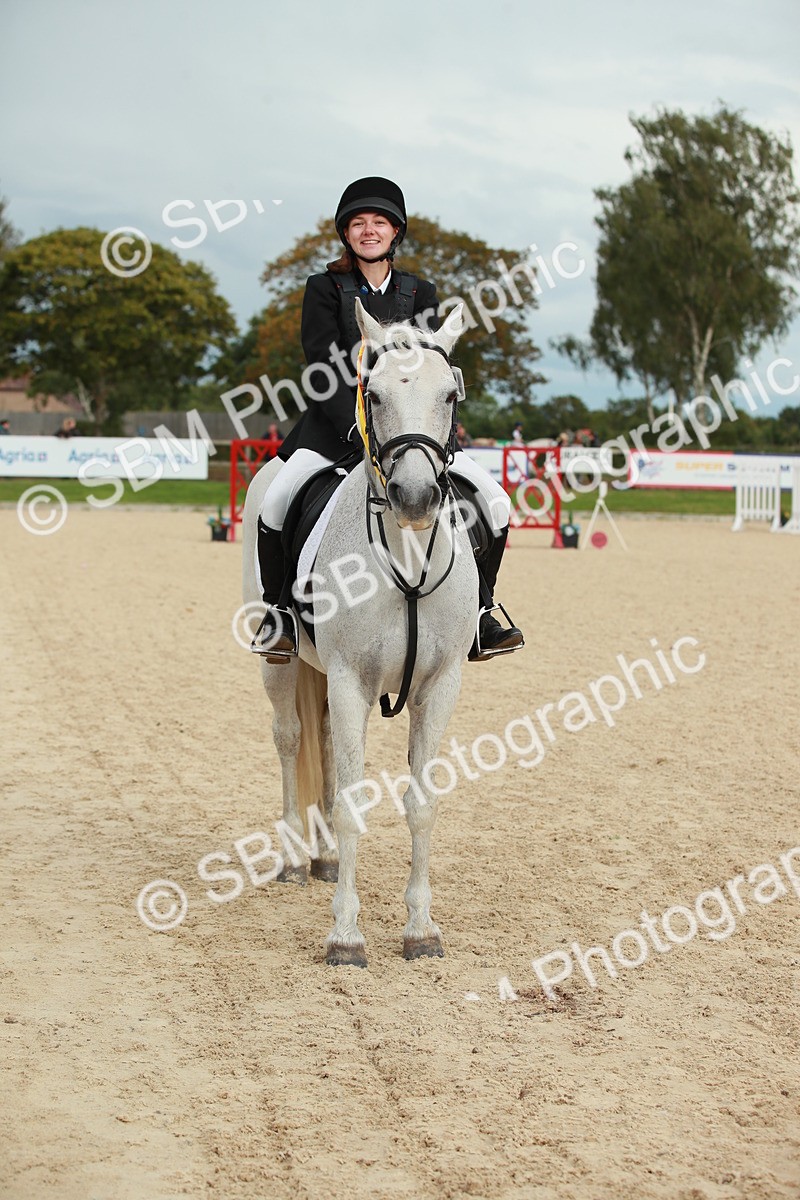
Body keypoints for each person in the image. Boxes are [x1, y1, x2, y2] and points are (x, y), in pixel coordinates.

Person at [254, 176, 523, 661]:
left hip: (412, 434)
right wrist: (357, 429)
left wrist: (419, 435)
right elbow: (320, 366)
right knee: (275, 499)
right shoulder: (323, 288)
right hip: (335, 429)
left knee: (498, 503)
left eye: (379, 222)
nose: (369, 230)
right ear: (346, 233)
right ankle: (281, 615)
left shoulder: (420, 291)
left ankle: (482, 613)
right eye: (358, 223)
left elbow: (430, 369)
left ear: (395, 231)